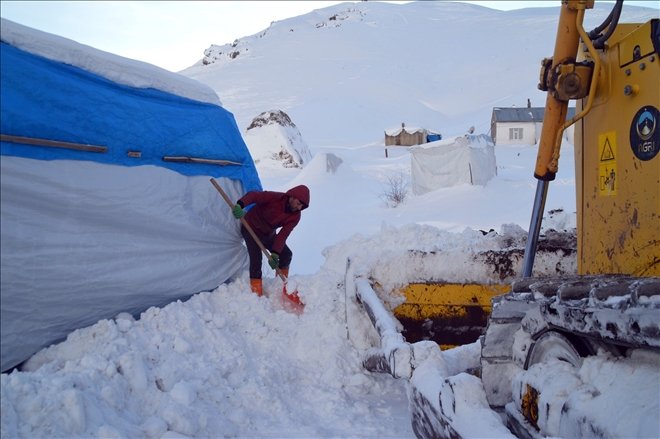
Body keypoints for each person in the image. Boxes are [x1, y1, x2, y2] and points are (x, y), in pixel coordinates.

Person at [232, 185, 310, 296]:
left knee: (286, 254)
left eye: (302, 206)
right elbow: (255, 196)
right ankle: (256, 292)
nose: (299, 208)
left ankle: (280, 286)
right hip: (251, 227)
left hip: (268, 234)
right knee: (256, 259)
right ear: (292, 197)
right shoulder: (276, 197)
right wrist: (240, 205)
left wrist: (275, 253)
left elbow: (283, 235)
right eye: (298, 203)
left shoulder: (295, 216)